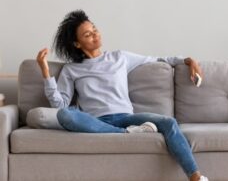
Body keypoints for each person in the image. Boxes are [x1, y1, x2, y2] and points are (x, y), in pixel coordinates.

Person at [36, 10, 208, 181]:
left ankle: (195, 177)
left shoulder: (120, 57)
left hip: (127, 117)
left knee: (169, 122)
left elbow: (159, 59)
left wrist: (189, 61)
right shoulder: (71, 69)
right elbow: (61, 106)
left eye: (95, 29)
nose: (95, 35)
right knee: (65, 115)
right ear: (77, 44)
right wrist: (45, 72)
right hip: (96, 122)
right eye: (88, 35)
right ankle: (126, 133)